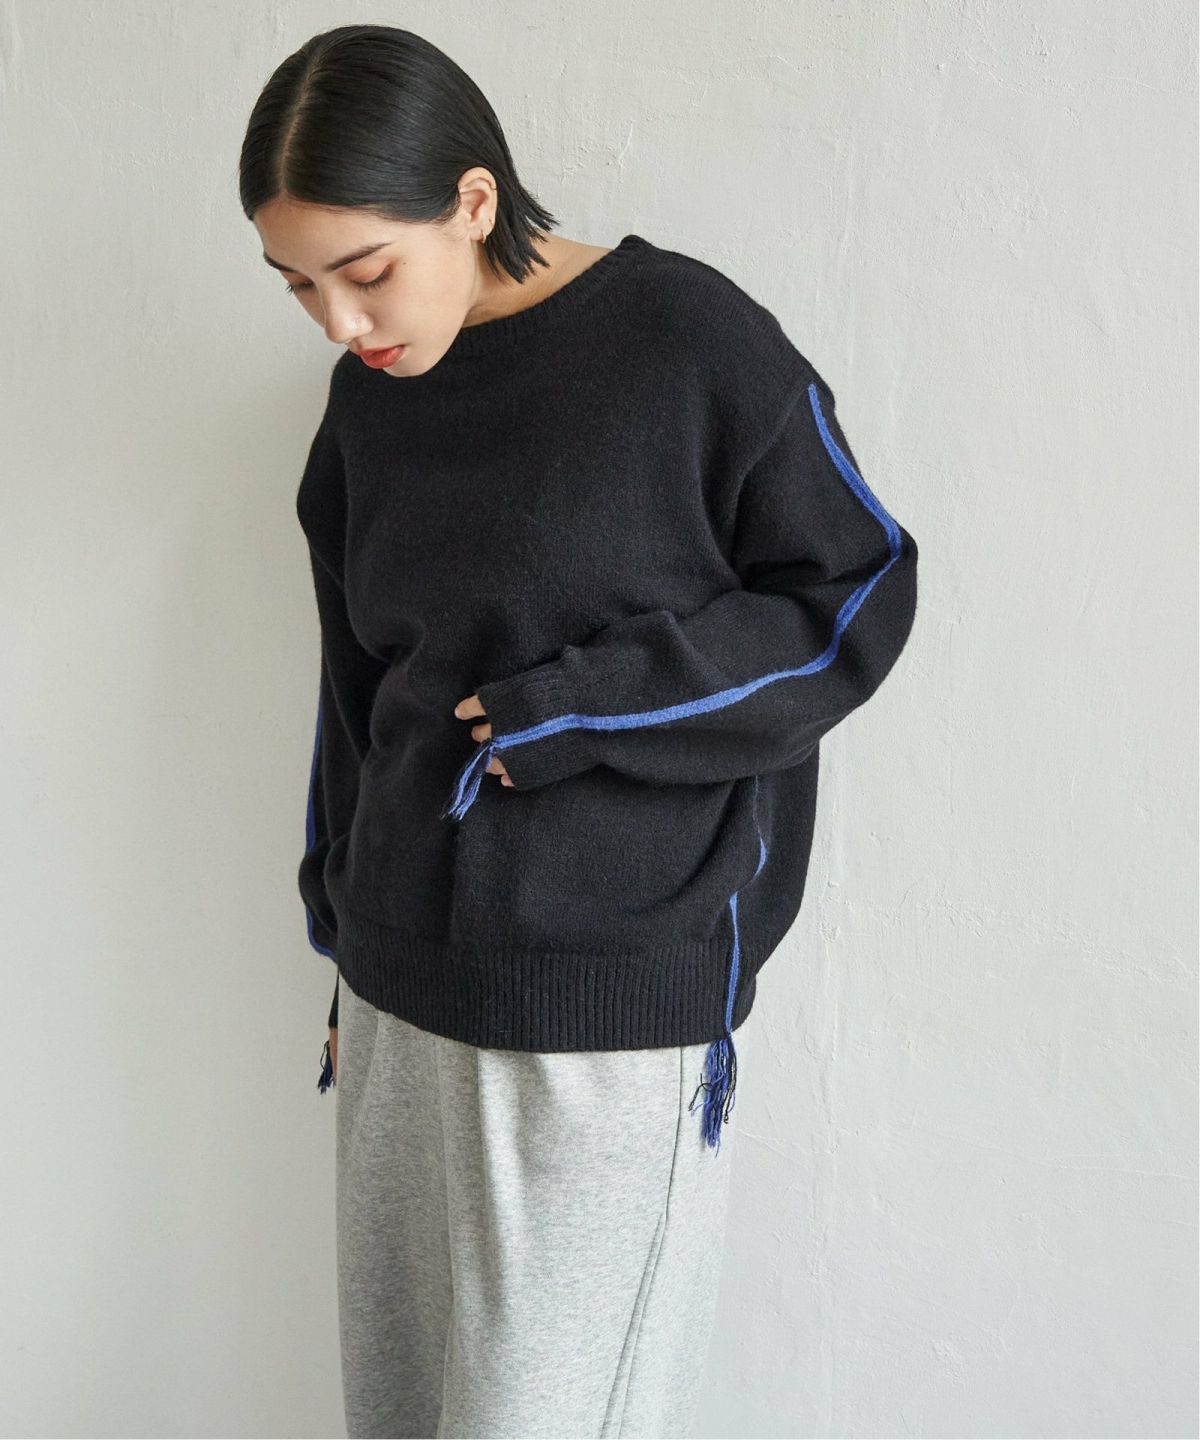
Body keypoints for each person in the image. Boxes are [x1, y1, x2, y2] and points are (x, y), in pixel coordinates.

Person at [240, 23, 919, 1440]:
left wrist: (579, 706)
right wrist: (341, 931)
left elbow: (852, 592)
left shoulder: (687, 342)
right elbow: (356, 687)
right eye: (299, 286)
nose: (342, 324)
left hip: (601, 1013)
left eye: (365, 270)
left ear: (472, 198)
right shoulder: (368, 404)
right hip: (395, 997)